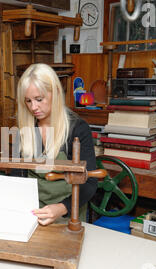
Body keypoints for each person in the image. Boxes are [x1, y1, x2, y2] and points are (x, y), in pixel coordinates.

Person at [14, 63, 97, 225]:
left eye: (39, 99)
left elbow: (90, 183)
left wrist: (62, 207)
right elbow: (18, 175)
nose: (33, 107)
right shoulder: (26, 128)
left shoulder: (78, 129)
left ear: (56, 93)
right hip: (33, 213)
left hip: (68, 213)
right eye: (28, 101)